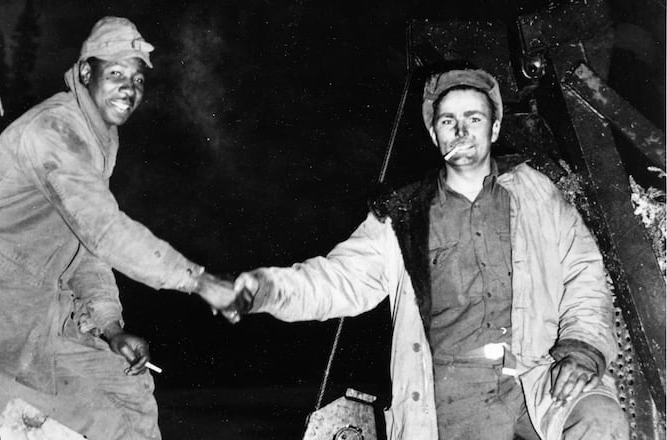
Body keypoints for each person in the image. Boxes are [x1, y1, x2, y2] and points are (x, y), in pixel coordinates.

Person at [0, 16, 236, 440]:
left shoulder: (97, 144)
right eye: (117, 73)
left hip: (28, 323)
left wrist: (111, 328)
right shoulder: (55, 129)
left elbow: (86, 250)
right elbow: (105, 230)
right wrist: (198, 281)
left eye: (138, 80)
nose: (129, 88)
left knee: (126, 398)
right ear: (86, 72)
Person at [229, 68, 629, 439]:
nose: (460, 131)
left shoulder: (535, 190)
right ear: (434, 134)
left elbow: (583, 273)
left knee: (602, 422)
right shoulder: (402, 215)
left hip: (538, 373)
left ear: (495, 127)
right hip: (454, 394)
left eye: (474, 118)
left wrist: (580, 350)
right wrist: (264, 290)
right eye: (447, 121)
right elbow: (339, 280)